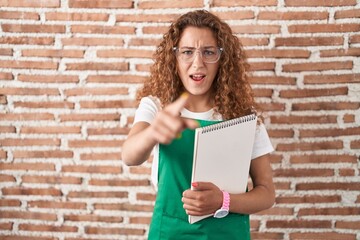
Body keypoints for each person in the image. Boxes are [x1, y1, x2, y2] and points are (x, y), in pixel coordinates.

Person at [122, 10, 275, 240]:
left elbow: (267, 194)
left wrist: (222, 200)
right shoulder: (156, 106)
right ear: (174, 58)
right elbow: (129, 156)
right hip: (170, 232)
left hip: (228, 234)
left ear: (221, 58)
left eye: (208, 52)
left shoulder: (242, 115)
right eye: (187, 52)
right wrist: (154, 131)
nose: (198, 63)